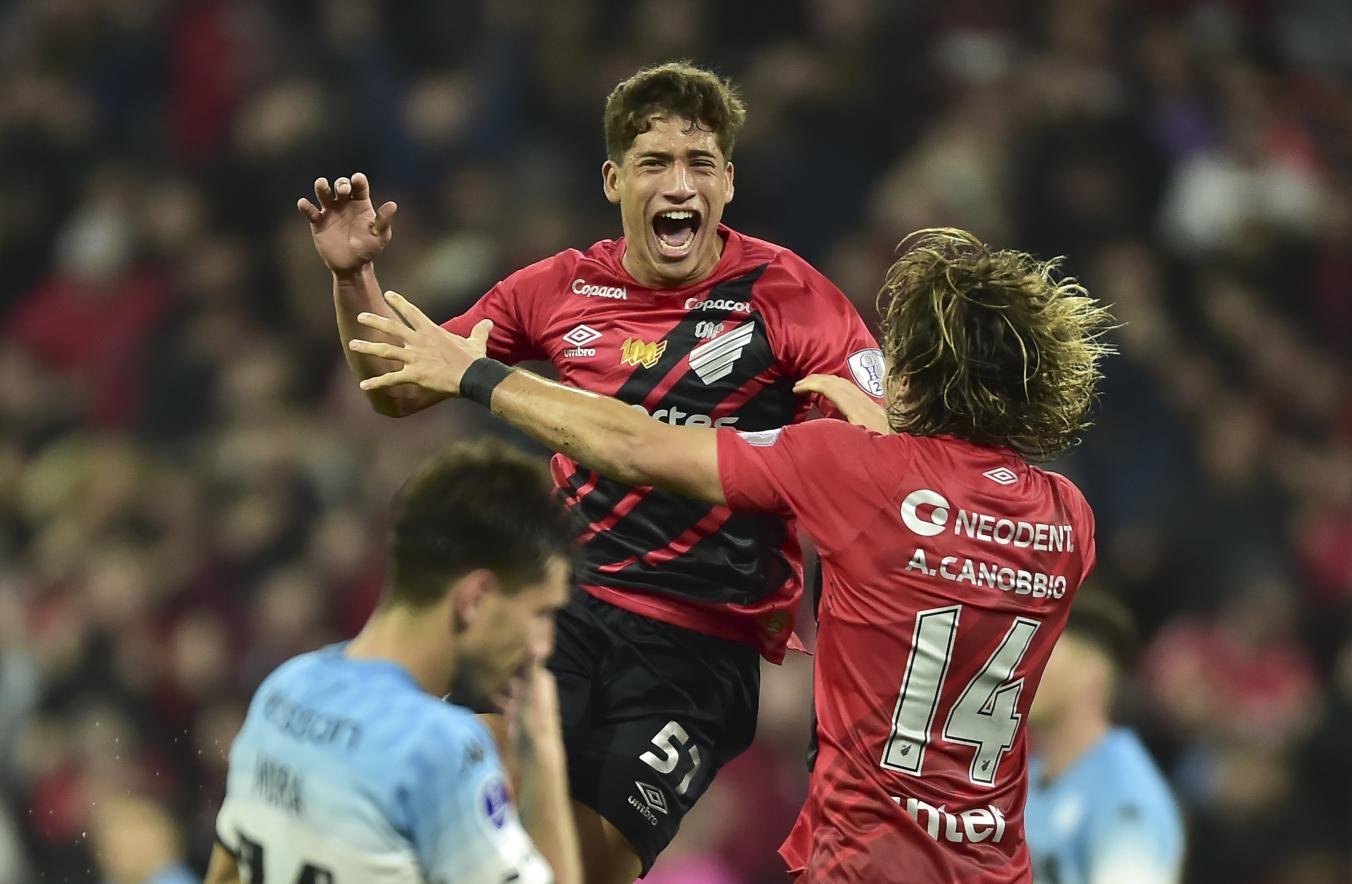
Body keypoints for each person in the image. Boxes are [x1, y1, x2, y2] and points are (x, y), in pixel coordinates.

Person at [347, 227, 1115, 882]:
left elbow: (636, 445)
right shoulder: (1069, 520)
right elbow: (957, 518)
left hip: (864, 858)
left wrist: (476, 374)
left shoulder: (850, 468)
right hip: (993, 865)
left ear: (917, 374)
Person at [299, 61, 883, 881]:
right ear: (614, 180)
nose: (678, 184)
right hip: (559, 607)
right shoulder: (560, 286)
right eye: (654, 164)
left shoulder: (792, 298)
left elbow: (877, 461)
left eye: (699, 164)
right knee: (469, 816)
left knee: (571, 871)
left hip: (699, 652)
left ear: (728, 182)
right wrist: (353, 278)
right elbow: (398, 387)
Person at [204, 440, 580, 884]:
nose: (543, 645)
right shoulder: (438, 747)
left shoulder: (284, 690)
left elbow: (226, 874)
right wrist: (544, 754)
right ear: (476, 598)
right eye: (541, 613)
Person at [1024, 591, 1185, 884]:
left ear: (1091, 672)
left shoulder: (1126, 798)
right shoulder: (1028, 776)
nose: (1024, 668)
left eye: (1043, 653)